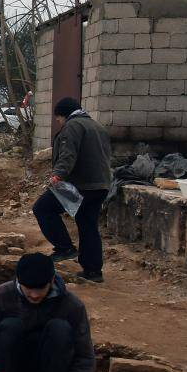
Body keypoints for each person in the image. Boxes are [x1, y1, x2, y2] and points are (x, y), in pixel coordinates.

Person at [33, 97, 113, 283]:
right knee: (88, 225)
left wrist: (58, 175)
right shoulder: (96, 126)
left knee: (43, 208)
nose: (59, 122)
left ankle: (64, 248)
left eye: (58, 119)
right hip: (100, 184)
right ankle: (93, 271)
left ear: (63, 114)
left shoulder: (72, 126)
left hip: (80, 185)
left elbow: (69, 153)